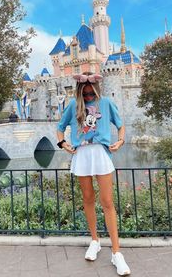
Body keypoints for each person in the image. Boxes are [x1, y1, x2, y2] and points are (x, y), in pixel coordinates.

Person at [56, 72, 130, 276]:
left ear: (96, 89)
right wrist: (63, 143)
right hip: (81, 154)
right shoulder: (73, 106)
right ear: (80, 91)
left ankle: (117, 253)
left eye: (91, 93)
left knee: (107, 202)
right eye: (85, 94)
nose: (89, 97)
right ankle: (95, 241)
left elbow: (121, 125)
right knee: (88, 199)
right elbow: (60, 127)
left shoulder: (105, 103)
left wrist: (120, 141)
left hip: (100, 152)